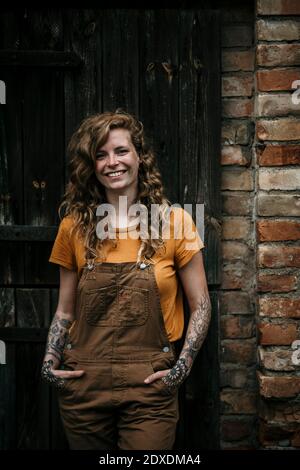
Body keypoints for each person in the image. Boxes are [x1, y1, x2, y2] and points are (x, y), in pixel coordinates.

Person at [41, 109, 211, 450]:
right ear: (91, 166)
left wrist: (182, 367)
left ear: (139, 158)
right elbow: (64, 311)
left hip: (150, 384)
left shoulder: (175, 222)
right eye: (100, 155)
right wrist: (49, 362)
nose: (111, 162)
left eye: (121, 151)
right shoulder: (73, 227)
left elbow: (201, 305)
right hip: (84, 381)